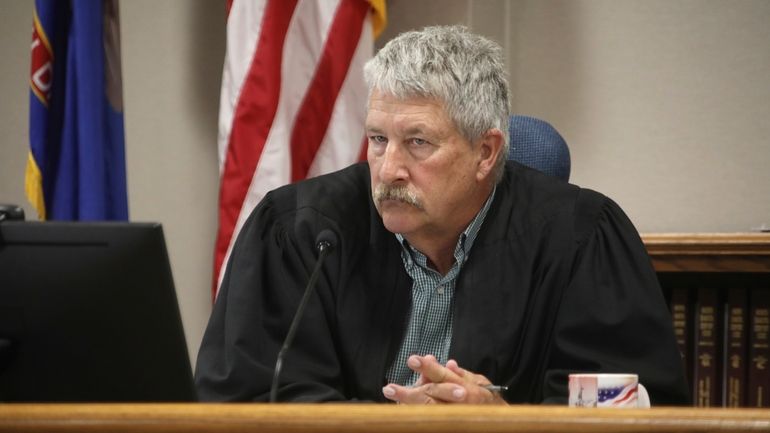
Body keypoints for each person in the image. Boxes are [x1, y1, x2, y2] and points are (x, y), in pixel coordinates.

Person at [195, 25, 689, 405]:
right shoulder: (300, 231)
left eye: (418, 143)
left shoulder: (580, 239)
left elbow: (629, 407)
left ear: (486, 152)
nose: (389, 170)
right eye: (377, 139)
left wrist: (500, 422)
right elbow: (250, 396)